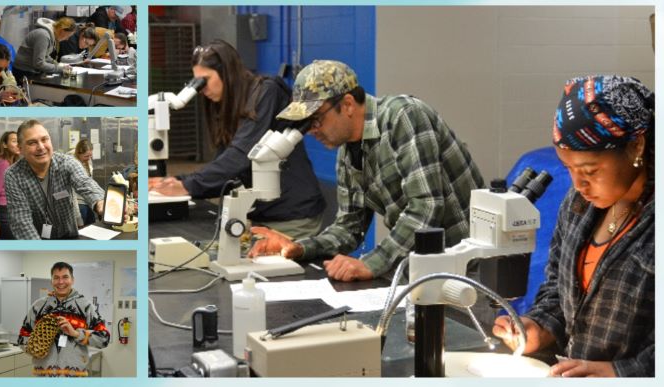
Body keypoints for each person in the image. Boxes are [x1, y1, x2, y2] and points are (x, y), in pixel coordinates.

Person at [248, 60, 484, 282]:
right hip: (425, 267)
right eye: (307, 124)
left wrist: (372, 263)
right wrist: (298, 247)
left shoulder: (403, 116)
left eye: (316, 119)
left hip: (470, 269)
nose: (312, 131)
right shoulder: (347, 153)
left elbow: (427, 206)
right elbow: (348, 228)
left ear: (348, 104)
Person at [492, 75, 654, 377]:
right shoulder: (579, 205)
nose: (579, 184)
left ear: (636, 147)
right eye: (569, 169)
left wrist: (622, 373)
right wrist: (538, 327)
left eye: (590, 170)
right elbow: (556, 287)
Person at [149, 40, 325, 240]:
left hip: (291, 216)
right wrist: (179, 181)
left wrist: (189, 186)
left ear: (227, 73)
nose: (202, 89)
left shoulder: (267, 91)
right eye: (196, 82)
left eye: (204, 80)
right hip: (260, 215)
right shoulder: (231, 104)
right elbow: (225, 165)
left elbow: (240, 157)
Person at [4, 120, 105, 239]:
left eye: (44, 139)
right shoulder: (13, 175)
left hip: (69, 236)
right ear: (20, 149)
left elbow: (85, 183)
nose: (41, 147)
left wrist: (101, 202)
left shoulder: (66, 162)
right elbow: (21, 222)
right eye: (32, 143)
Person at [18, 262, 110, 377]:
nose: (61, 282)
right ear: (51, 281)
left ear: (72, 280)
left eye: (65, 277)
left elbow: (104, 338)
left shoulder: (86, 307)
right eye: (56, 278)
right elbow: (22, 336)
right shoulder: (38, 306)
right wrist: (33, 349)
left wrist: (76, 334)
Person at [12, 17, 75, 81]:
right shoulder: (43, 36)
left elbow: (45, 56)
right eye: (68, 36)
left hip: (30, 70)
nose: (67, 39)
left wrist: (56, 63)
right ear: (62, 30)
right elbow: (39, 63)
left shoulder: (50, 34)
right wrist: (60, 69)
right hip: (24, 72)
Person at [0, 131, 20, 239]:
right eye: (14, 141)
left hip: (8, 211)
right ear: (4, 145)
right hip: (1, 213)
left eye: (19, 141)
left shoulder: (12, 163)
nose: (18, 144)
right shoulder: (2, 163)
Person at [72, 139, 96, 226]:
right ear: (79, 153)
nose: (89, 158)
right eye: (86, 156)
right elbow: (72, 192)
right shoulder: (72, 164)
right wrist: (78, 216)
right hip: (79, 204)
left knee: (92, 227)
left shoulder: (88, 161)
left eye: (90, 156)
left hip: (88, 202)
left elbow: (90, 183)